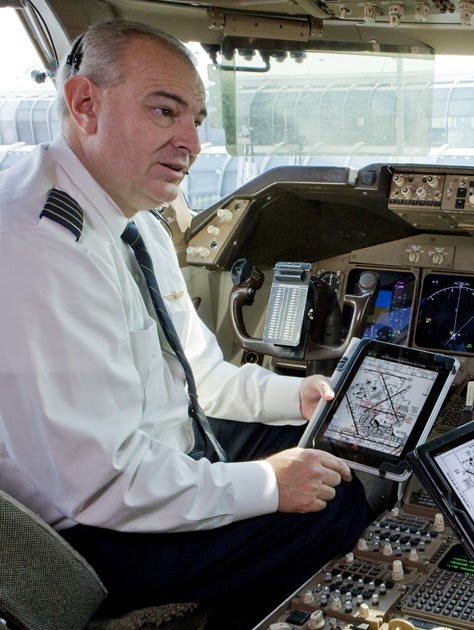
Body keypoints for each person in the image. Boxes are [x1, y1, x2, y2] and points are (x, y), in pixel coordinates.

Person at [0, 19, 370, 627]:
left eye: (196, 118)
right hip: (90, 533)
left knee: (328, 450)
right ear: (85, 104)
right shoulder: (39, 244)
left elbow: (199, 373)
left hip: (156, 464)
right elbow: (100, 483)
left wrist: (299, 398)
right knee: (336, 501)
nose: (191, 142)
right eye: (164, 111)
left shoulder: (136, 216)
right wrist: (268, 486)